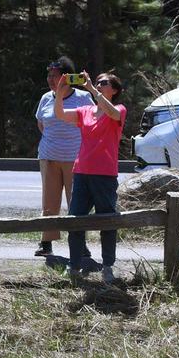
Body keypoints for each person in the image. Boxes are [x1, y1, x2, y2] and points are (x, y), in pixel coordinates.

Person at [53, 70, 127, 283]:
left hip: (104, 175)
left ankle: (107, 266)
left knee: (107, 221)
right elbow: (60, 114)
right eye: (97, 82)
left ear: (114, 90)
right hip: (82, 173)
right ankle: (74, 265)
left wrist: (92, 90)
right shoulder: (85, 110)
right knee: (76, 220)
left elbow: (112, 113)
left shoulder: (119, 109)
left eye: (104, 83)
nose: (98, 84)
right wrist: (59, 92)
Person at [33, 57, 95, 258]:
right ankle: (46, 243)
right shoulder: (45, 98)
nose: (51, 80)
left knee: (76, 203)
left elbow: (92, 122)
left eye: (55, 76)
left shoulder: (83, 97)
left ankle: (79, 244)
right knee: (49, 202)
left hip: (76, 159)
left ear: (67, 78)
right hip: (49, 157)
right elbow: (41, 124)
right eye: (49, 75)